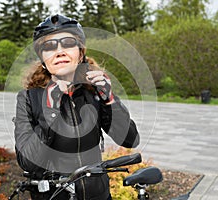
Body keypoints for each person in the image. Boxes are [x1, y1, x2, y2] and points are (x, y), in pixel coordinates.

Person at [14, 14, 139, 200]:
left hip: (98, 195)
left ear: (80, 54)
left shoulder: (93, 90)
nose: (59, 51)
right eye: (49, 46)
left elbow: (130, 140)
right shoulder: (28, 98)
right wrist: (51, 111)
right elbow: (28, 163)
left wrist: (110, 100)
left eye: (68, 43)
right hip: (54, 195)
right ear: (43, 60)